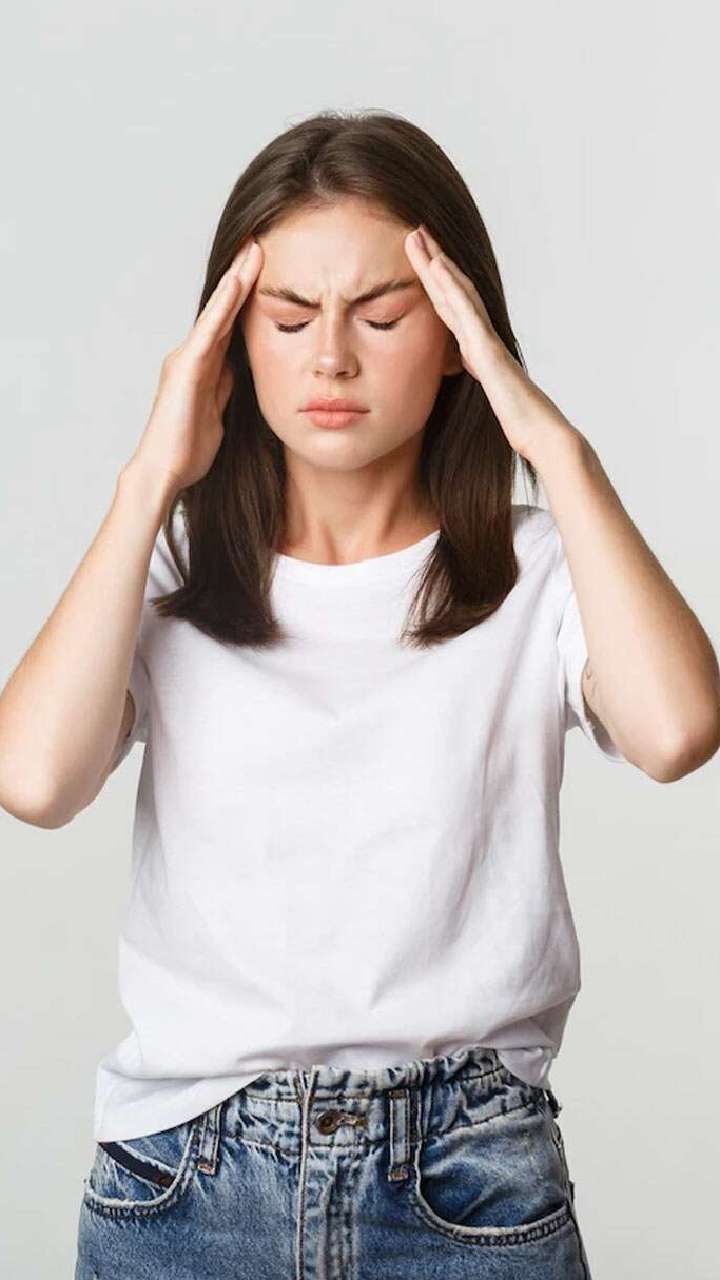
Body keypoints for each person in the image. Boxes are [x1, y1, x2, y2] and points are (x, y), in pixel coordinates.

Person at [1, 110, 718, 1280]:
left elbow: (679, 728)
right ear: (232, 344)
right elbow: (32, 779)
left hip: (469, 1179)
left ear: (459, 334)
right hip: (185, 1183)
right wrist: (147, 481)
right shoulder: (170, 568)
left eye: (383, 316)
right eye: (289, 319)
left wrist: (554, 445)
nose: (331, 357)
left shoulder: (537, 572)